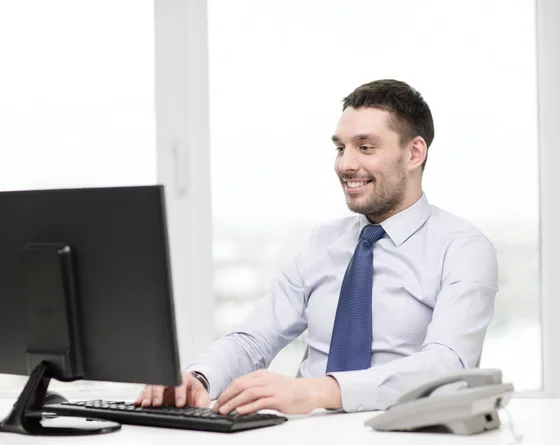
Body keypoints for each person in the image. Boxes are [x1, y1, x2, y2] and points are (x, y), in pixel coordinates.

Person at [135, 79, 498, 415]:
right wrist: (198, 378)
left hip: (398, 430)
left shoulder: (463, 248)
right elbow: (254, 339)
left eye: (365, 147)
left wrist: (319, 391)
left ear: (414, 153)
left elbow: (448, 365)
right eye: (340, 148)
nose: (345, 164)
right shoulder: (323, 242)